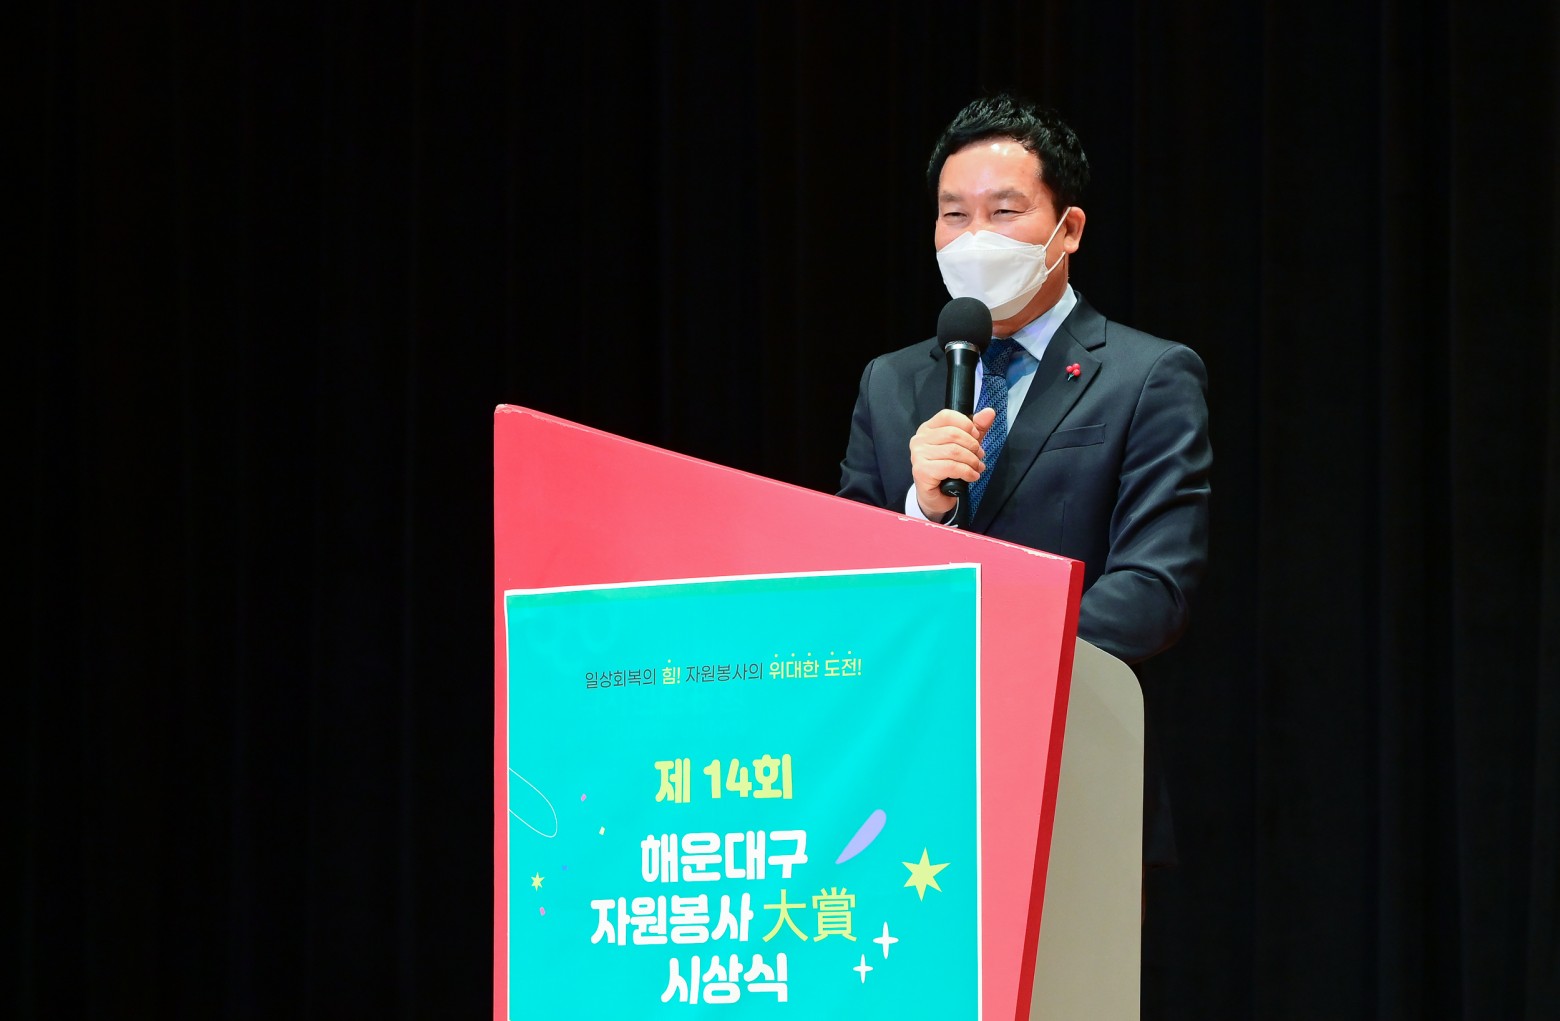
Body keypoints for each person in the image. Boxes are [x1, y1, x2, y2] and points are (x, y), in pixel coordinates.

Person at [837, 93, 1211, 865]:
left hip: (1073, 776)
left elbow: (1153, 589)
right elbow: (845, 583)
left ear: (1068, 229)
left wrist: (993, 659)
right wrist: (922, 513)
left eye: (1003, 212)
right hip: (909, 787)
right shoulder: (891, 383)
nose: (974, 238)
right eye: (954, 215)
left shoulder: (1146, 375)